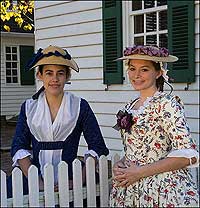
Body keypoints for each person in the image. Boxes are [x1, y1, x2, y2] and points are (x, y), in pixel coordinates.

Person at [7, 45, 109, 198]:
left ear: (67, 76)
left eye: (60, 73)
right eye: (49, 73)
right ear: (39, 75)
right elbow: (18, 146)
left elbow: (97, 145)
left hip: (70, 175)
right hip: (34, 175)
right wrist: (37, 182)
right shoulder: (29, 107)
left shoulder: (80, 106)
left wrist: (78, 180)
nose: (54, 79)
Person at [109, 45, 199, 207]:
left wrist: (139, 172)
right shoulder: (130, 106)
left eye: (144, 69)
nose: (136, 75)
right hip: (130, 189)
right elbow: (136, 148)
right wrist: (121, 163)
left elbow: (188, 155)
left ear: (158, 73)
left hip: (160, 188)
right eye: (132, 68)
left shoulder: (167, 104)